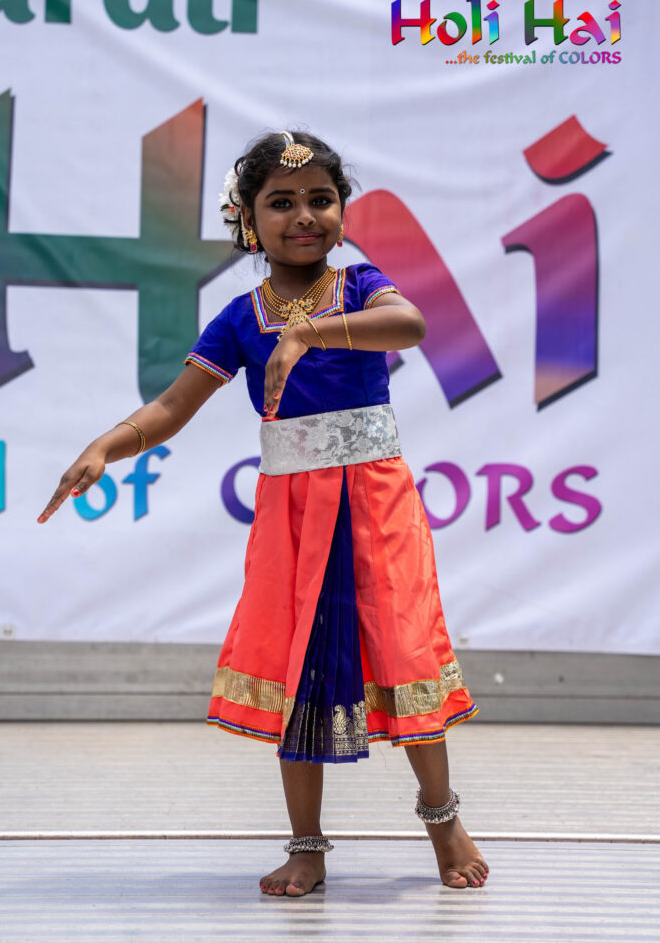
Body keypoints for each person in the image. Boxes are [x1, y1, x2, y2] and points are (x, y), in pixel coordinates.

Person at [38, 130, 489, 897]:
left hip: (375, 503)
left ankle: (441, 817)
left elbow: (410, 326)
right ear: (248, 220)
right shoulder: (241, 319)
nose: (304, 215)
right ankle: (306, 845)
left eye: (321, 199)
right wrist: (105, 446)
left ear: (341, 212)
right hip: (292, 516)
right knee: (298, 664)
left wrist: (308, 332)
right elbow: (173, 405)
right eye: (281, 202)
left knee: (402, 646)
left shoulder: (361, 287)